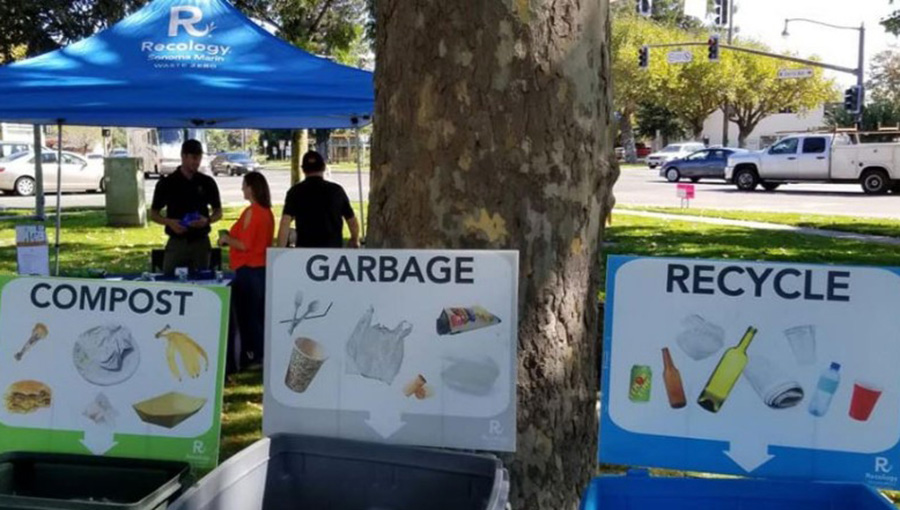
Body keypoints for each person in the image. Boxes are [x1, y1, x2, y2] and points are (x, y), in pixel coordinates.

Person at [219, 172, 274, 370]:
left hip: (248, 268)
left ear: (251, 188)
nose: (242, 189)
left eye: (244, 185)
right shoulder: (267, 212)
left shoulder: (253, 212)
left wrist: (226, 239)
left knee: (249, 316)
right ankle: (259, 353)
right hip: (261, 268)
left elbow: (245, 244)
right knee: (258, 314)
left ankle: (255, 355)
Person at [150, 139, 222, 275]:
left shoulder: (207, 182)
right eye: (194, 158)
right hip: (177, 242)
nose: (197, 162)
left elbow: (218, 212)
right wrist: (169, 222)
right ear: (183, 156)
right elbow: (153, 214)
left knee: (202, 280)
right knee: (170, 279)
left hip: (201, 241)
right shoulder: (167, 183)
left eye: (199, 158)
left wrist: (207, 220)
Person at [277, 150, 360, 248]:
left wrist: (280, 250)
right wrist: (355, 239)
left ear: (303, 169)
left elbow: (285, 222)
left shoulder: (295, 192)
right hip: (333, 249)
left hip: (305, 250)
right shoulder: (336, 191)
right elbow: (351, 220)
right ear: (324, 167)